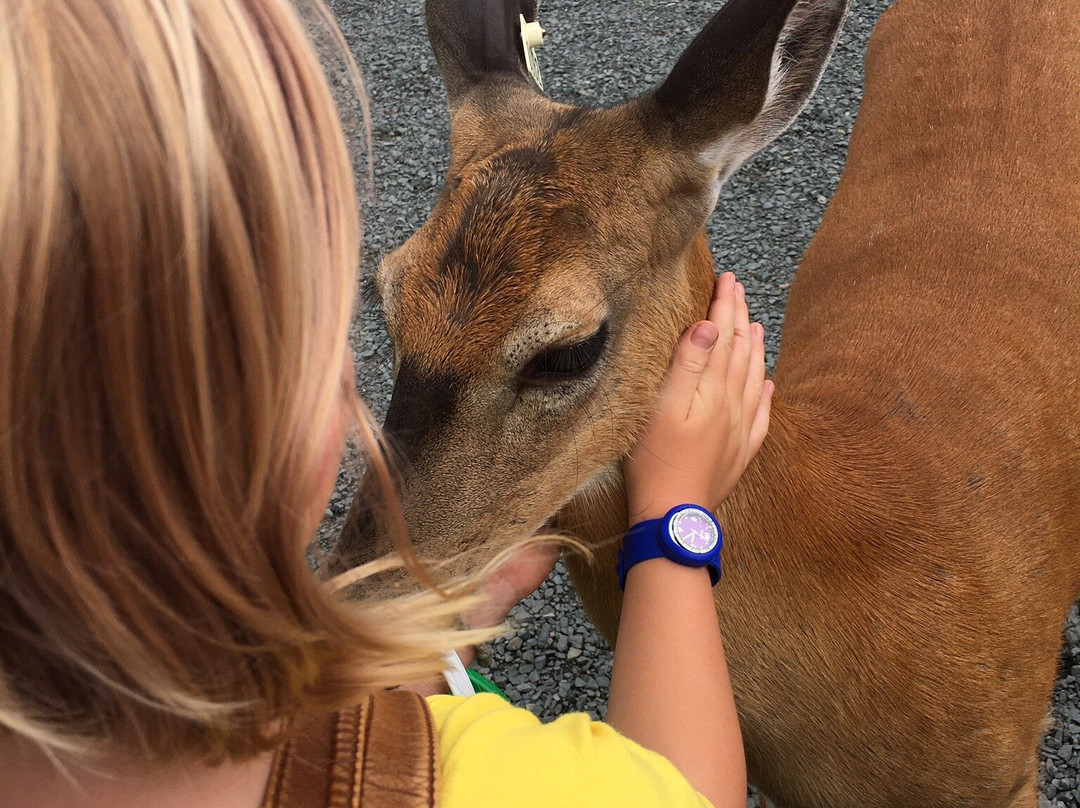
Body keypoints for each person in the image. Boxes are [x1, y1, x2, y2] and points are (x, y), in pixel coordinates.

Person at [0, 1, 773, 807]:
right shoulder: (471, 783)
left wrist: (432, 625)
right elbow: (687, 788)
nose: (353, 399)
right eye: (320, 348)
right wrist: (676, 519)